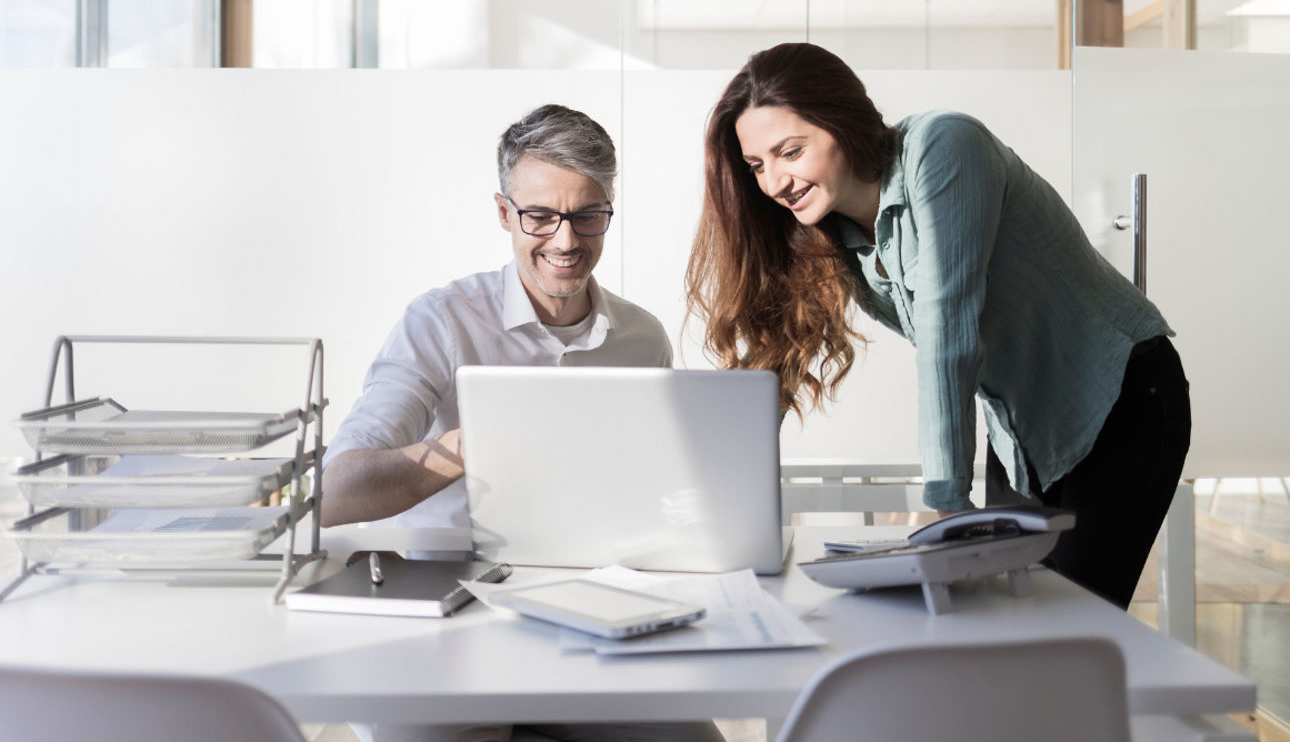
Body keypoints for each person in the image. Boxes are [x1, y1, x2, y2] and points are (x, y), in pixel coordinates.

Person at [685, 42, 1191, 610]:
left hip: (1122, 399)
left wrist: (946, 502)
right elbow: (778, 359)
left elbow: (948, 329)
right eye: (757, 165)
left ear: (842, 120)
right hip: (1022, 433)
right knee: (1009, 622)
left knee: (1078, 622)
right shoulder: (829, 232)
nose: (775, 182)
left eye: (790, 152)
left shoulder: (943, 145)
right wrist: (719, 501)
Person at [323, 104, 722, 742]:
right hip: (453, 618)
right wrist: (472, 444)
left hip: (593, 612)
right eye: (540, 215)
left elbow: (652, 493)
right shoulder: (440, 322)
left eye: (587, 215)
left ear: (608, 212)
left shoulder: (641, 337)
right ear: (505, 213)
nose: (566, 241)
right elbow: (335, 492)